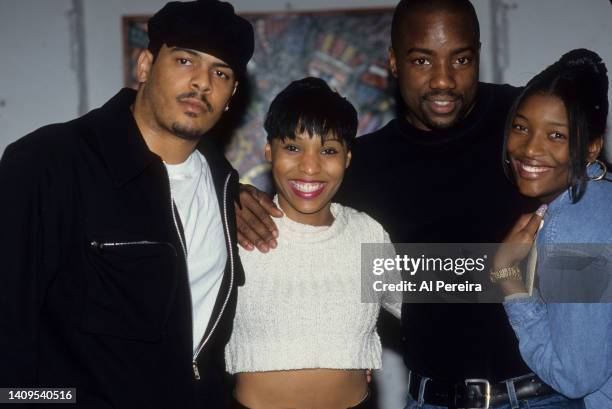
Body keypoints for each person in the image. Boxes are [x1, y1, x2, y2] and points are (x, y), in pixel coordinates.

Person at [235, 0, 580, 407]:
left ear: (479, 55)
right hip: (430, 399)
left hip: (544, 396)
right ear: (394, 62)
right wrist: (230, 195)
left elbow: (596, 267)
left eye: (461, 59)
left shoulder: (528, 123)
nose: (443, 81)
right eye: (422, 61)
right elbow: (322, 268)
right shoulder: (359, 167)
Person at [0, 1, 253, 408]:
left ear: (232, 94)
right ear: (145, 65)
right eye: (185, 60)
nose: (202, 82)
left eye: (220, 72)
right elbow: (8, 326)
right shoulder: (50, 162)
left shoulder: (226, 187)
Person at [225, 77, 402, 409]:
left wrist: (513, 268)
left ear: (347, 158)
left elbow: (433, 303)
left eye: (328, 150)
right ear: (268, 152)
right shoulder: (239, 228)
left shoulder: (367, 234)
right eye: (293, 147)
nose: (309, 166)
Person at [491, 48, 612, 409]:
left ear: (591, 148)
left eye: (556, 136)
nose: (529, 149)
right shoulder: (597, 201)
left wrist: (511, 281)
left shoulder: (575, 228)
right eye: (521, 127)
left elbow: (575, 378)